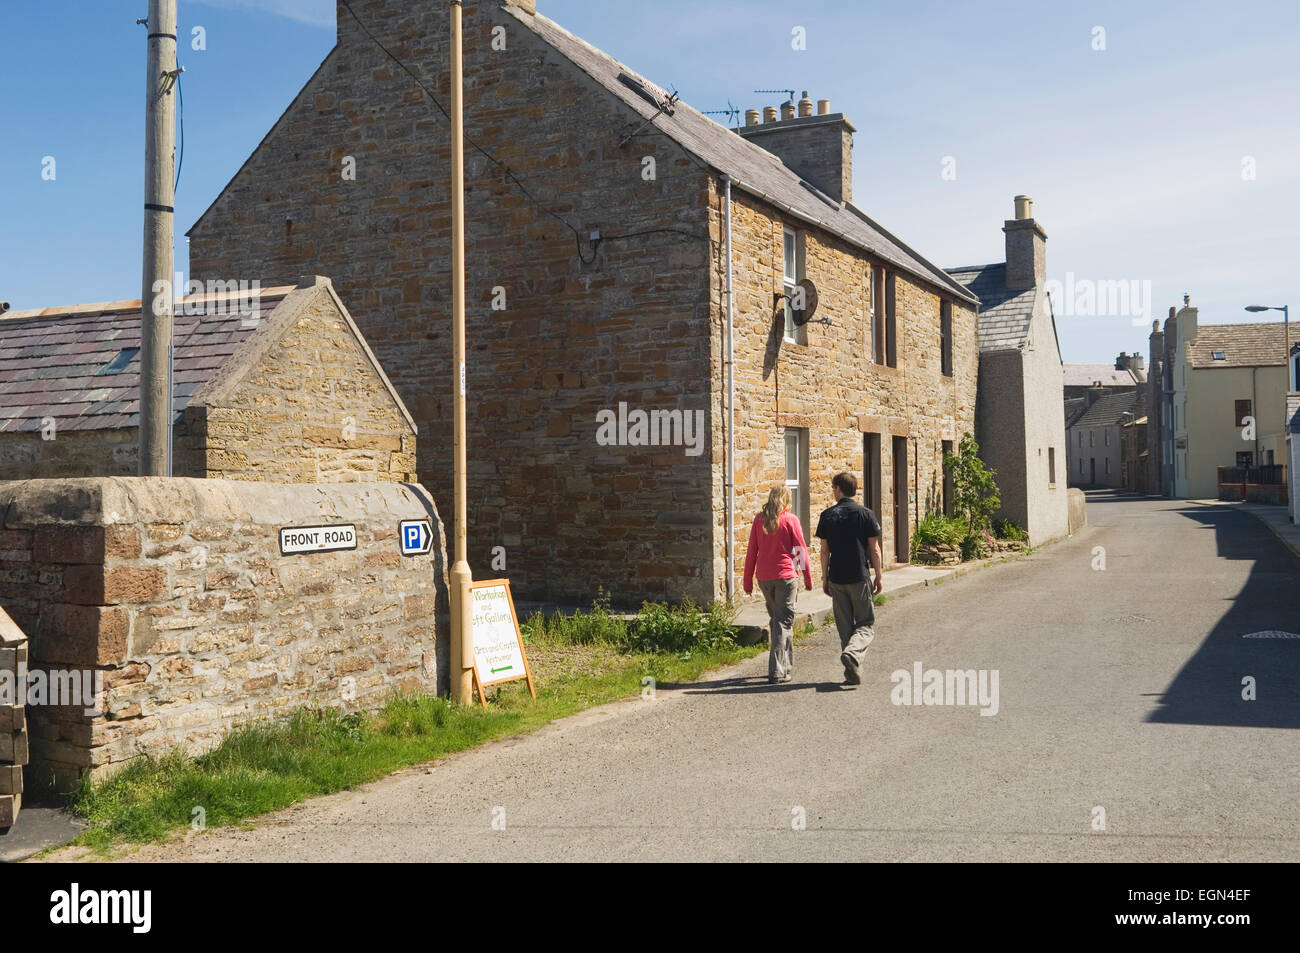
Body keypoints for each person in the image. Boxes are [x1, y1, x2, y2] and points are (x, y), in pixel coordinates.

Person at [815, 472, 884, 686]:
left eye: (833, 487)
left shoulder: (827, 515)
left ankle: (851, 670)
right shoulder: (865, 514)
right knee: (865, 623)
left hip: (837, 576)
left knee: (845, 627)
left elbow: (824, 551)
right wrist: (879, 576)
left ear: (838, 488)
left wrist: (825, 578)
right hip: (859, 575)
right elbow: (874, 549)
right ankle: (853, 654)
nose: (832, 491)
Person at [743, 486, 814, 683]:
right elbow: (800, 550)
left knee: (779, 621)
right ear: (786, 500)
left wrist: (747, 580)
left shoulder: (759, 520)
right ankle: (776, 670)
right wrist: (808, 578)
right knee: (783, 622)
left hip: (764, 578)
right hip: (786, 577)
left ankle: (786, 665)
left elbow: (751, 551)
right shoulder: (790, 520)